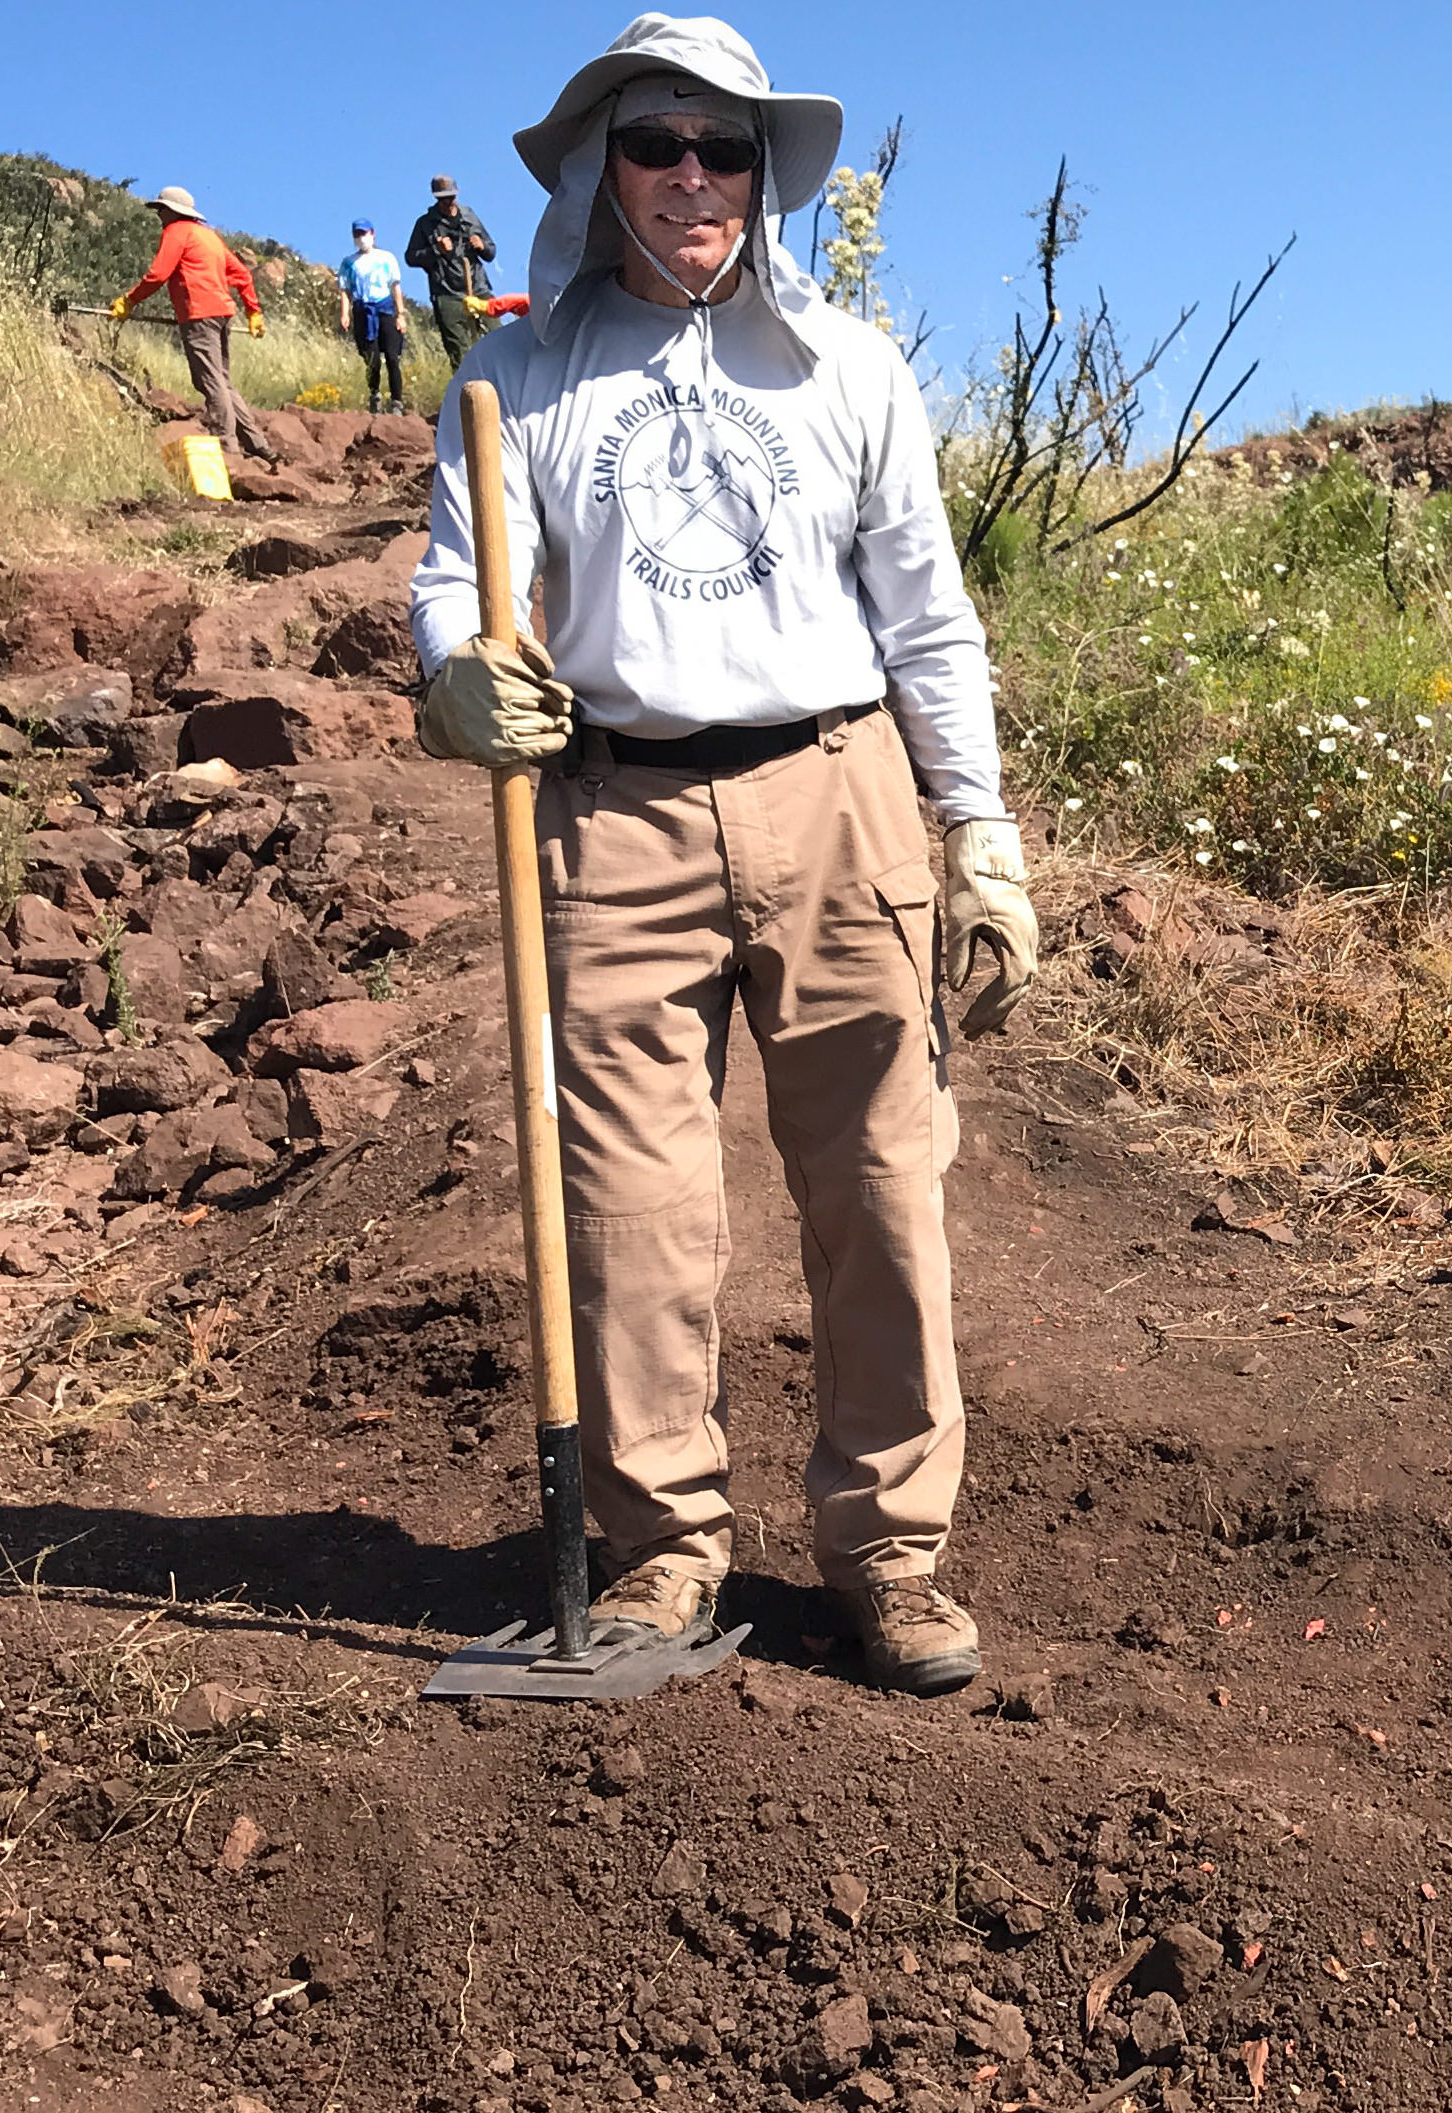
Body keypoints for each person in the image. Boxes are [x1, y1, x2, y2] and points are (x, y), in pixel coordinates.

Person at [404, 13, 1038, 1697]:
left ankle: (891, 1555)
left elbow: (930, 618)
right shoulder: (513, 376)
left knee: (885, 1189)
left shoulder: (848, 370)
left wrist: (975, 824)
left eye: (727, 149)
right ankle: (665, 1548)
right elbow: (457, 590)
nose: (694, 178)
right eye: (658, 145)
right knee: (631, 1209)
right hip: (612, 811)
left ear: (767, 176)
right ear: (602, 167)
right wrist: (458, 673)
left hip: (838, 797)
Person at [110, 186, 275, 463]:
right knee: (222, 380)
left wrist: (129, 301)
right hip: (222, 313)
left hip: (199, 315)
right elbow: (242, 275)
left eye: (160, 209)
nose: (159, 215)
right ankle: (257, 444)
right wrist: (253, 311)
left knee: (210, 380)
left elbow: (158, 274)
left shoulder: (177, 232)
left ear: (173, 211)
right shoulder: (208, 236)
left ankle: (227, 445)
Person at [403, 173, 498, 362]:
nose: (448, 202)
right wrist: (435, 251)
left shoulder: (470, 216)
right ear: (435, 197)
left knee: (499, 342)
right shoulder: (425, 224)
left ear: (457, 194)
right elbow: (411, 257)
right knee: (460, 354)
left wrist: (482, 246)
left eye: (451, 197)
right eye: (442, 198)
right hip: (447, 295)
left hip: (479, 289)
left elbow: (491, 252)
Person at [336, 221, 410, 414]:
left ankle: (397, 401)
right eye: (357, 234)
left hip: (385, 310)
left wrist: (400, 314)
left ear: (372, 234)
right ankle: (374, 394)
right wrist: (345, 314)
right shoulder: (349, 263)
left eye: (364, 233)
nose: (361, 238)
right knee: (372, 359)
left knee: (393, 357)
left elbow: (395, 287)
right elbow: (345, 290)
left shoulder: (386, 258)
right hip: (362, 312)